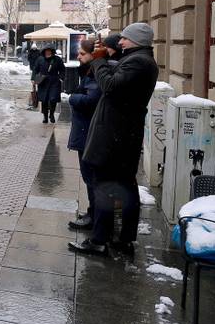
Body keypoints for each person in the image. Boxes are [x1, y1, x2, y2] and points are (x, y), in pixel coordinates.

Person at [68, 22, 159, 256]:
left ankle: (99, 240)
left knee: (105, 187)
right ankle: (123, 239)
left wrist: (98, 61)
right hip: (122, 133)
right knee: (124, 187)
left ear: (137, 40)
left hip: (115, 135)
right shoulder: (139, 60)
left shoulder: (139, 62)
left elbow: (110, 85)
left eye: (125, 39)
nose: (120, 43)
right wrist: (103, 61)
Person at [67, 39, 102, 230]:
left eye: (81, 54)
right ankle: (93, 213)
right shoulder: (90, 72)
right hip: (86, 132)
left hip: (89, 133)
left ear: (92, 55)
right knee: (89, 178)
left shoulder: (96, 74)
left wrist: (73, 97)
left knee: (91, 178)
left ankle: (95, 216)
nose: (78, 57)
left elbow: (91, 100)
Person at [34, 46, 64, 123]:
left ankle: (51, 114)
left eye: (49, 51)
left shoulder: (57, 59)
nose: (48, 52)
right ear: (44, 51)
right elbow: (35, 69)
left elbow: (62, 69)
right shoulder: (40, 59)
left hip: (54, 82)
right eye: (46, 51)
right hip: (43, 82)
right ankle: (45, 116)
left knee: (53, 99)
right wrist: (33, 79)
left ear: (52, 51)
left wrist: (61, 77)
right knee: (44, 100)